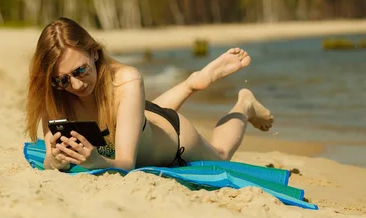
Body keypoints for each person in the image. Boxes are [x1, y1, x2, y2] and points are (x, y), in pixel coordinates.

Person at [26, 17, 274, 172]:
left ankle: (245, 103)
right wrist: (56, 162)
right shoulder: (54, 95)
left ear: (95, 53)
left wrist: (97, 162)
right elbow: (49, 158)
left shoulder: (127, 79)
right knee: (135, 114)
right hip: (137, 119)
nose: (76, 85)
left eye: (81, 70)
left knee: (221, 155)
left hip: (173, 138)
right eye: (63, 79)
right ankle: (191, 83)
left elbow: (125, 164)